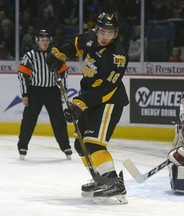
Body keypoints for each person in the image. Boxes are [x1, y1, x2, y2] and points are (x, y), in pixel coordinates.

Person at [45, 12, 129, 203]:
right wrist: (58, 54)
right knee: (80, 144)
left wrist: (79, 104)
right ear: (96, 30)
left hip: (109, 101)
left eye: (110, 32)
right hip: (90, 98)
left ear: (115, 34)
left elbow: (107, 88)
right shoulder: (90, 39)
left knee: (93, 143)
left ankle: (113, 182)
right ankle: (99, 178)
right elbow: (73, 45)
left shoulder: (118, 56)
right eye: (103, 32)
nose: (106, 36)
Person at [17, 29, 72, 160]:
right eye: (42, 40)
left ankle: (65, 146)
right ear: (37, 41)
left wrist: (62, 90)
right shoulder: (30, 56)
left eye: (47, 40)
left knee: (58, 120)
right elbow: (22, 75)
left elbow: (63, 74)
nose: (45, 42)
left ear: (50, 41)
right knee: (28, 121)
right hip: (35, 91)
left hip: (52, 91)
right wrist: (25, 93)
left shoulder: (56, 55)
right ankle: (22, 146)